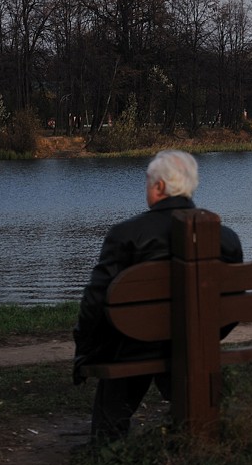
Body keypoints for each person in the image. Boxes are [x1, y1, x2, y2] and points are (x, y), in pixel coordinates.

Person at [72, 149, 243, 442]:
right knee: (177, 347)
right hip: (194, 340)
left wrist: (85, 351)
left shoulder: (125, 235)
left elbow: (95, 303)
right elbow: (233, 302)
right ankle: (204, 433)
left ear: (160, 187)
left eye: (148, 183)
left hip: (133, 344)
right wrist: (208, 335)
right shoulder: (224, 236)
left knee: (132, 343)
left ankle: (108, 445)